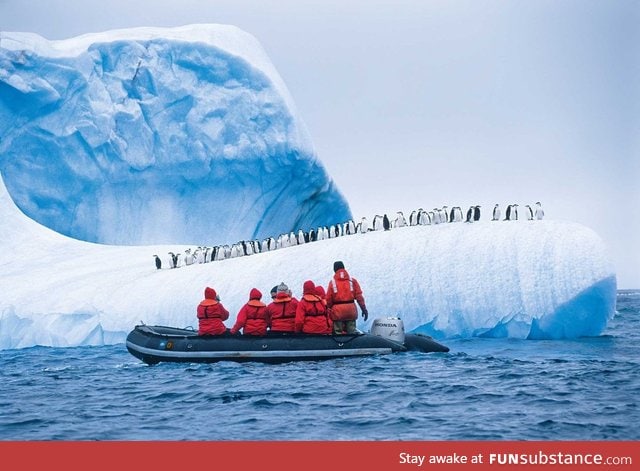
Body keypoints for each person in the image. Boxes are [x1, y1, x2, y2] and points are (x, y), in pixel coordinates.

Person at [326, 261, 368, 334]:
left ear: (334, 270)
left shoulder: (332, 283)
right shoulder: (352, 281)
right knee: (351, 333)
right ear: (344, 268)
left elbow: (328, 299)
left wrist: (329, 310)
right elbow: (359, 297)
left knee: (337, 334)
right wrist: (364, 309)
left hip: (338, 312)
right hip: (351, 311)